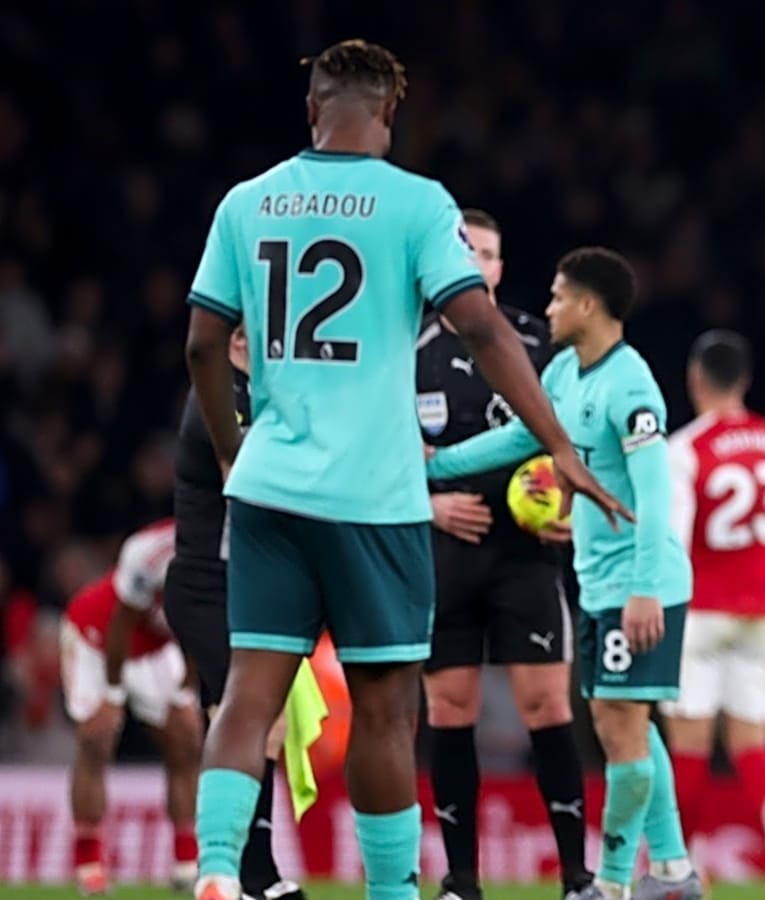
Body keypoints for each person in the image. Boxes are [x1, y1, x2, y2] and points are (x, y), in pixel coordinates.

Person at [183, 39, 623, 900]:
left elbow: (203, 342)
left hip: (268, 488)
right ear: (389, 113)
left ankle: (213, 874)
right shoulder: (419, 204)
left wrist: (237, 448)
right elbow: (483, 328)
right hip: (375, 500)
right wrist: (559, 445)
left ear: (313, 108)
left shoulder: (247, 202)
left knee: (247, 699)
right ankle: (390, 896)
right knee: (386, 712)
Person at [426, 247, 700, 900]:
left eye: (555, 297)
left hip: (640, 583)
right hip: (598, 580)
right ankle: (672, 869)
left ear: (586, 305)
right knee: (629, 725)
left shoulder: (630, 384)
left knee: (618, 728)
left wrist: (644, 588)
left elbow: (653, 492)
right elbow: (521, 437)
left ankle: (609, 883)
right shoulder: (565, 376)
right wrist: (433, 466)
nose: (546, 308)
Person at [416, 208, 592, 900]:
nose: (474, 262)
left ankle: (576, 875)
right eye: (462, 249)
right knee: (450, 711)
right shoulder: (409, 343)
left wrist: (571, 508)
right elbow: (380, 448)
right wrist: (428, 504)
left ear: (498, 268)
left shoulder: (537, 342)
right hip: (443, 552)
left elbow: (577, 437)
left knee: (548, 708)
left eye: (486, 253)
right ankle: (461, 880)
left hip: (526, 555)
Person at [660, 330, 765, 897]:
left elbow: (674, 543)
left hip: (700, 611)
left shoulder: (685, 449)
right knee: (751, 743)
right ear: (744, 380)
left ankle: (681, 871)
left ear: (696, 379)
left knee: (691, 748)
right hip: (763, 613)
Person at [165, 325, 307, 900]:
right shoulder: (216, 395)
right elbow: (248, 478)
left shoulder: (260, 393)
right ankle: (234, 872)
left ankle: (252, 870)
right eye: (245, 330)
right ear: (229, 338)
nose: (256, 341)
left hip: (247, 582)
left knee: (254, 723)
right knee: (245, 717)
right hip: (204, 585)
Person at [62, 519, 203, 896]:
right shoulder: (150, 550)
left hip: (157, 648)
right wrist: (111, 694)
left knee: (187, 739)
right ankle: (88, 862)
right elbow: (121, 623)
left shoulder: (226, 550)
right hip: (98, 638)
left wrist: (182, 695)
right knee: (96, 739)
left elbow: (204, 629)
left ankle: (187, 861)